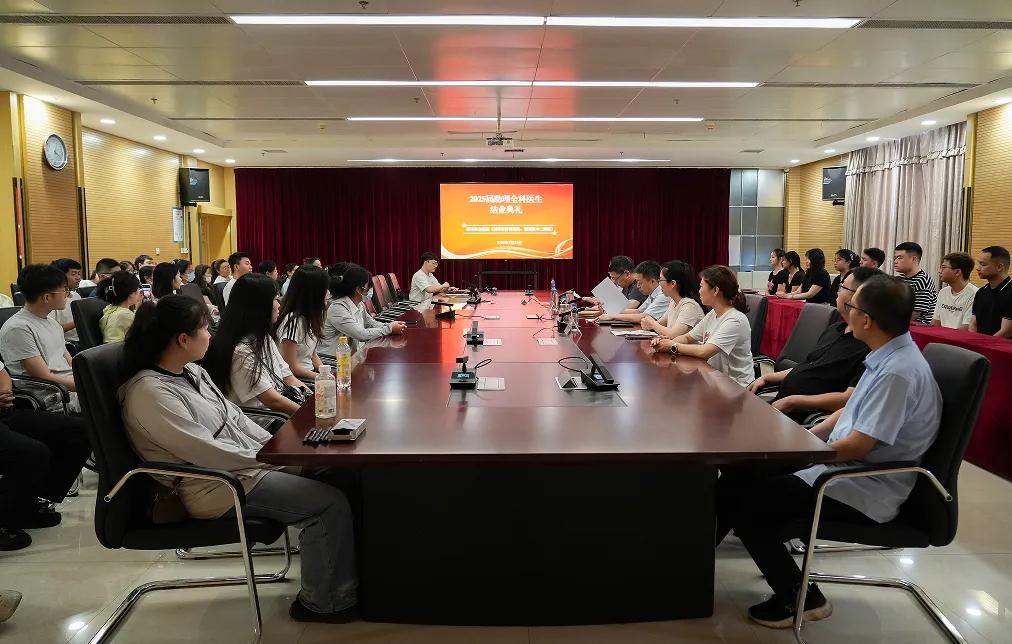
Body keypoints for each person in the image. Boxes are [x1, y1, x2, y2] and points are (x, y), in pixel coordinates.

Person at [716, 274, 941, 629]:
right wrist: (803, 437)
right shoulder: (887, 355)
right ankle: (691, 559)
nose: (845, 310)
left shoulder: (897, 372)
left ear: (866, 319)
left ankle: (801, 598)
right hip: (839, 468)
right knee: (739, 472)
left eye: (852, 305)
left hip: (860, 485)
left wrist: (801, 453)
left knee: (749, 503)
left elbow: (859, 444)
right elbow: (847, 412)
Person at [119, 295, 359, 623]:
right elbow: (204, 451)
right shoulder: (150, 392)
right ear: (183, 339)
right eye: (205, 329)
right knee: (327, 504)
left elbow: (236, 419)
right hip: (213, 485)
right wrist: (274, 459)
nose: (211, 335)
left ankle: (352, 574)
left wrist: (278, 450)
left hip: (243, 467)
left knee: (339, 472)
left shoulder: (192, 373)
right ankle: (324, 603)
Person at [749, 267, 880, 422]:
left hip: (803, 417)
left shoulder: (869, 346)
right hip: (782, 405)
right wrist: (767, 377)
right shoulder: (835, 329)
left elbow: (848, 399)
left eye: (842, 287)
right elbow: (808, 366)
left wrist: (793, 401)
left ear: (859, 297)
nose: (837, 292)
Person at [0, 361, 91, 549]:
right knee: (30, 453)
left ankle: (29, 504)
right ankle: (4, 521)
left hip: (6, 412)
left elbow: (3, 375)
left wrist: (5, 392)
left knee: (79, 431)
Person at [205, 274, 310, 416]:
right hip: (265, 419)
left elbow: (288, 377)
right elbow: (272, 400)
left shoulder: (262, 336)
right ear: (259, 307)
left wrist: (314, 401)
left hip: (280, 410)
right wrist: (309, 415)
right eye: (275, 299)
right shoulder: (240, 351)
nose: (279, 304)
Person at [652, 265, 754, 387]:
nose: (699, 291)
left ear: (715, 290)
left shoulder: (735, 320)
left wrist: (673, 346)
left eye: (701, 286)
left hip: (735, 386)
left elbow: (705, 352)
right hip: (714, 380)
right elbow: (688, 337)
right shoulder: (713, 313)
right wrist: (666, 343)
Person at [0, 264, 77, 411]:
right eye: (64, 290)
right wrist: (84, 385)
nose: (67, 295)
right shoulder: (18, 329)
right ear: (47, 297)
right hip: (53, 395)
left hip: (69, 386)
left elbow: (69, 362)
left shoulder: (52, 323)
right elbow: (44, 376)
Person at [320, 264, 406, 355]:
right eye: (368, 288)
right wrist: (389, 329)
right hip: (332, 359)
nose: (370, 291)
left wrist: (392, 325)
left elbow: (371, 323)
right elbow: (361, 334)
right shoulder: (338, 309)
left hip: (351, 355)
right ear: (358, 289)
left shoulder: (359, 304)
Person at [275, 265, 328, 380]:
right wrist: (321, 377)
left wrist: (325, 373)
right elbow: (291, 367)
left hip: (310, 375)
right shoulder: (293, 322)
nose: (327, 293)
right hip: (299, 379)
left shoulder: (310, 317)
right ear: (314, 293)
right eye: (324, 290)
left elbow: (312, 354)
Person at [640, 260, 704, 338]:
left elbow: (673, 334)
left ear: (673, 283)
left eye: (661, 280)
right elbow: (660, 324)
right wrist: (648, 323)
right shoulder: (673, 301)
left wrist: (652, 324)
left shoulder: (690, 306)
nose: (659, 284)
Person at [596, 260, 671, 324]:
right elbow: (638, 311)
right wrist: (610, 312)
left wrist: (612, 316)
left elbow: (642, 317)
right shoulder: (653, 294)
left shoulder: (663, 295)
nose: (638, 286)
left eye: (639, 282)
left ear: (652, 281)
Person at [970, 245, 1012, 338]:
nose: (978, 268)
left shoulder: (1009, 292)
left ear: (999, 267)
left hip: (1002, 345)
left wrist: (984, 344)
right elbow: (973, 323)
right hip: (979, 344)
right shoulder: (981, 292)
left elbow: (1007, 331)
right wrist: (973, 342)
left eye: (983, 264)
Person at [893, 242, 936, 325]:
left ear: (913, 259)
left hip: (918, 327)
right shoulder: (899, 279)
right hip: (901, 324)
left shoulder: (922, 280)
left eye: (899, 258)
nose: (895, 261)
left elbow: (915, 314)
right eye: (895, 258)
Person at [932, 252, 977, 331]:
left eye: (943, 267)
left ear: (957, 272)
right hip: (940, 336)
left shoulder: (974, 293)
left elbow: (966, 327)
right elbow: (935, 322)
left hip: (959, 337)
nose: (939, 271)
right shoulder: (943, 292)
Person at [98, 271, 143, 344]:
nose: (139, 291)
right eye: (138, 288)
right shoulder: (124, 315)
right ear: (131, 293)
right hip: (122, 350)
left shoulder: (110, 309)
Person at [50, 258, 82, 342]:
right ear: (60, 276)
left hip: (82, 339)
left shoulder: (76, 296)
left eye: (79, 273)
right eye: (73, 274)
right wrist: (80, 321)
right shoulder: (53, 300)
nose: (78, 278)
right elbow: (51, 330)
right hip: (68, 343)